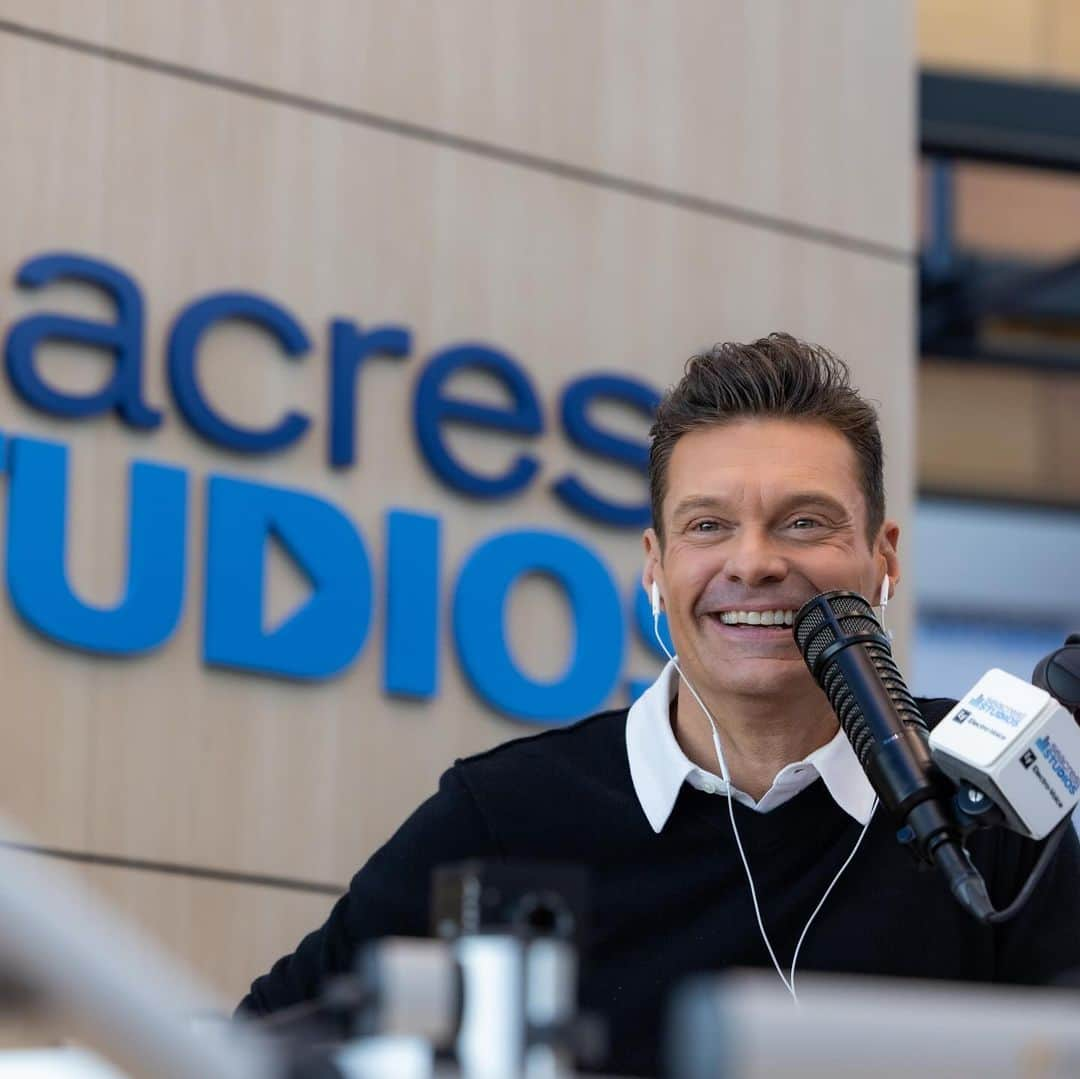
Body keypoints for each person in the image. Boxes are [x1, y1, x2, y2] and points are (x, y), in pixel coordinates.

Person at [237, 334, 1080, 1077]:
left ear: (880, 555)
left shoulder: (988, 806)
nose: (752, 564)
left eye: (804, 522)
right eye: (709, 526)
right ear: (655, 563)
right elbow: (260, 1044)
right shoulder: (503, 813)